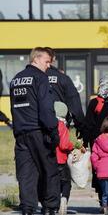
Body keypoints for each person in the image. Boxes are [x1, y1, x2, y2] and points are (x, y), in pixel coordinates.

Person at [10, 47, 60, 215]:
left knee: (26, 174)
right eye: (47, 61)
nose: (48, 66)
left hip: (21, 133)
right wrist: (53, 131)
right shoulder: (40, 78)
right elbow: (46, 109)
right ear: (36, 58)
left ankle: (28, 208)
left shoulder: (16, 79)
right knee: (50, 171)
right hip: (39, 132)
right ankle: (50, 208)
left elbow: (15, 108)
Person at [83, 75, 108, 208]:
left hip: (97, 142)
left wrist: (85, 143)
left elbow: (87, 125)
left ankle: (102, 200)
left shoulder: (94, 102)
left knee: (99, 169)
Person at [44, 47, 85, 137]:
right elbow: (74, 103)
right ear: (53, 59)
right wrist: (80, 126)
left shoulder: (32, 78)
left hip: (36, 127)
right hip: (59, 125)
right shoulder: (62, 78)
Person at [53, 101, 74, 215]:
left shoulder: (47, 124)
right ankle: (64, 199)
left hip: (49, 160)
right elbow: (64, 145)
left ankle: (54, 205)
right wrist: (72, 146)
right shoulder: (62, 125)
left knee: (53, 183)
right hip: (61, 160)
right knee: (66, 182)